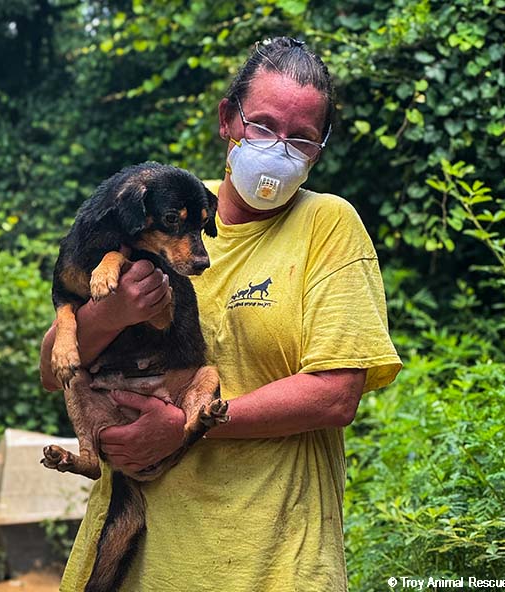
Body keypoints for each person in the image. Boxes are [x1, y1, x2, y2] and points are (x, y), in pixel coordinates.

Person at [40, 36, 402, 592]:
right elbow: (53, 371)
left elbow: (336, 394)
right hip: (135, 561)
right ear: (228, 119)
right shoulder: (162, 210)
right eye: (263, 125)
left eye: (301, 137)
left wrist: (185, 429)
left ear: (319, 149)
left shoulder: (329, 226)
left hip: (269, 562)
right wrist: (111, 314)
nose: (279, 148)